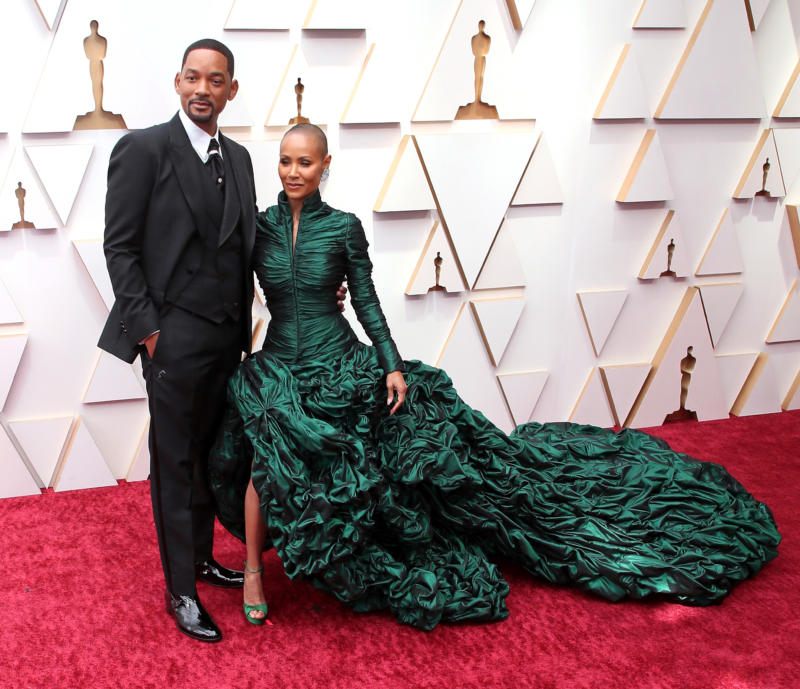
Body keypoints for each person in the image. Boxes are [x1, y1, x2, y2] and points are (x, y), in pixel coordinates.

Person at [209, 124, 780, 631]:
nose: (292, 171)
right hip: (279, 365)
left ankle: (368, 547)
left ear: (325, 166)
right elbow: (233, 289)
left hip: (339, 361)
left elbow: (365, 300)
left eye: (305, 162)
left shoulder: (344, 227)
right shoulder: (256, 228)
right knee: (267, 460)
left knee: (382, 465)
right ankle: (256, 572)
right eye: (285, 160)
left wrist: (389, 363)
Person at [99, 39, 258, 643]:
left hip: (225, 338)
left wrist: (316, 278)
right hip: (172, 335)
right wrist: (149, 332)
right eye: (192, 77)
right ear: (176, 81)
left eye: (215, 81)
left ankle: (198, 558)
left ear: (231, 91)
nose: (201, 89)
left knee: (206, 458)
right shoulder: (142, 148)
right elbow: (119, 246)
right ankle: (181, 591)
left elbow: (246, 241)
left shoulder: (240, 158)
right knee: (172, 461)